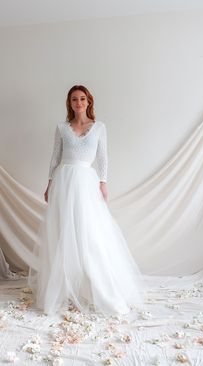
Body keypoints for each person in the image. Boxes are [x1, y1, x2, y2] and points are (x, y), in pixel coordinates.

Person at [28, 85, 145, 316]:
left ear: (88, 102)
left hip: (86, 182)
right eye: (74, 99)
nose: (78, 103)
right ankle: (63, 288)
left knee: (89, 232)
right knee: (64, 233)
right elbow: (55, 158)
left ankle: (96, 288)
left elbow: (103, 158)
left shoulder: (99, 127)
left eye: (82, 99)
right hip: (63, 181)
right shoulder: (62, 128)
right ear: (69, 103)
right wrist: (49, 183)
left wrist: (103, 182)